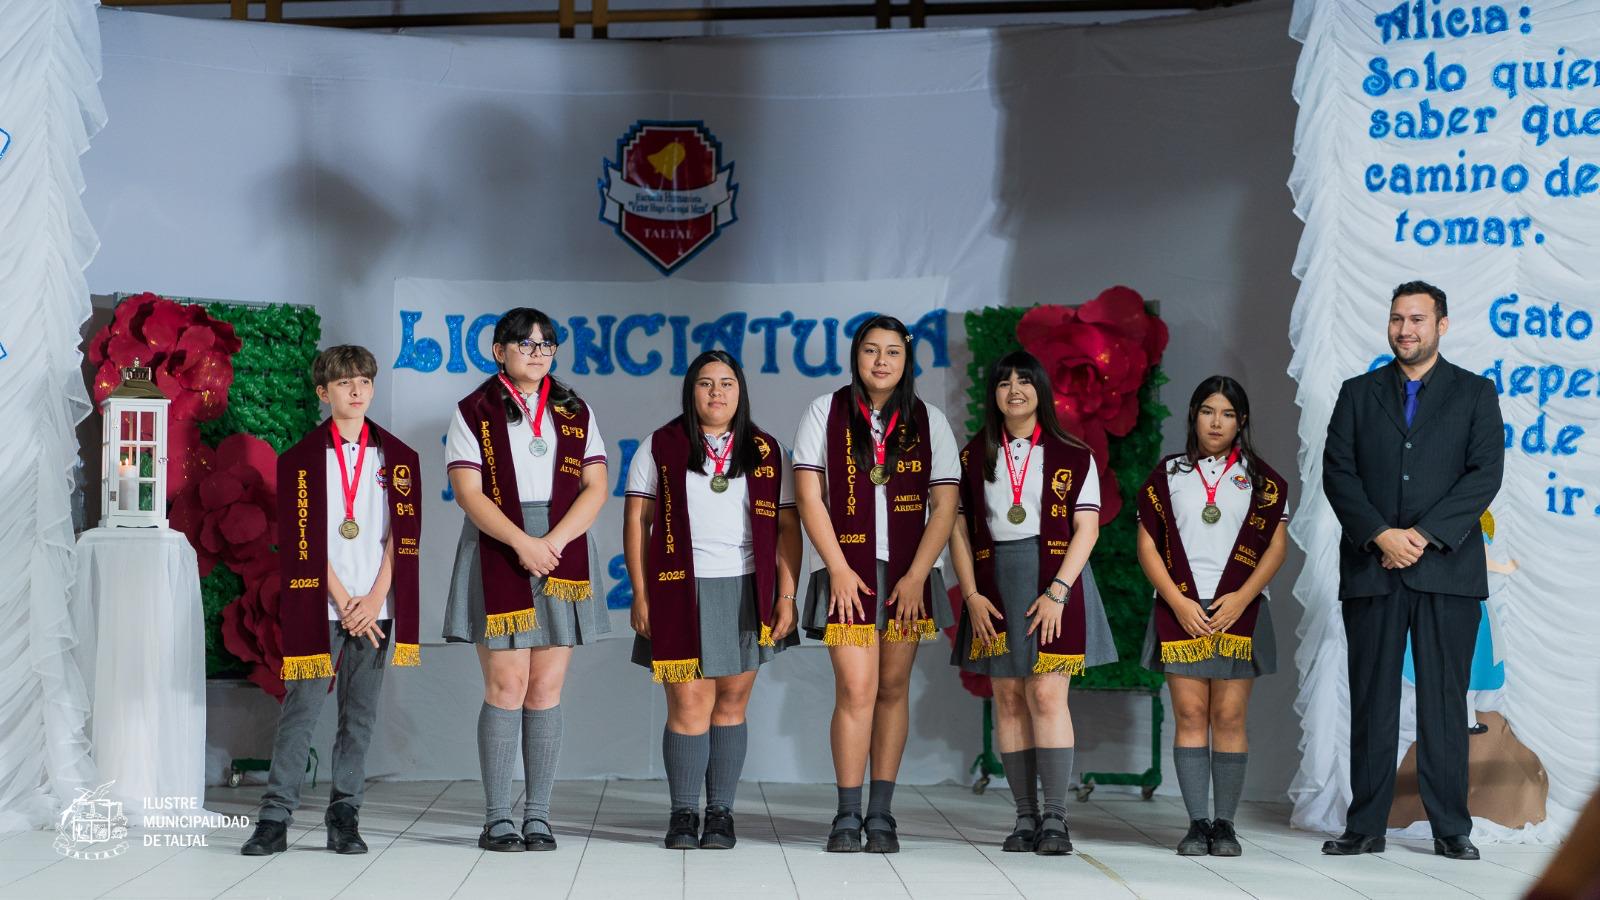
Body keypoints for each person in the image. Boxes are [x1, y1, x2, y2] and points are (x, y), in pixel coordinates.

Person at [1321, 281, 1504, 861]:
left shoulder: (1475, 393)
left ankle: (1452, 827)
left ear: (1442, 326)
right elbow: (1338, 472)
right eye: (1398, 318)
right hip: (1373, 569)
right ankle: (1364, 825)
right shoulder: (1357, 393)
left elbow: (1484, 475)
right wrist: (1379, 534)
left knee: (1444, 703)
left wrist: (1421, 536)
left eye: (1418, 319)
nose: (1406, 329)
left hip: (1446, 570)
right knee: (1372, 699)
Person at [241, 345, 422, 856]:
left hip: (376, 607)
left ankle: (345, 815)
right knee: (300, 710)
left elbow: (403, 537)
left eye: (364, 381)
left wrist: (375, 596)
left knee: (359, 716)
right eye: (345, 383)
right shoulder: (301, 460)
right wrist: (346, 601)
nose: (357, 390)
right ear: (324, 393)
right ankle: (274, 817)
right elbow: (304, 542)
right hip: (322, 604)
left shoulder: (399, 458)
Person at [443, 308, 611, 852]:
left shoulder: (575, 408)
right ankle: (498, 817)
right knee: (507, 687)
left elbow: (596, 485)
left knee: (544, 690)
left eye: (547, 344)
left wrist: (554, 543)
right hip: (499, 544)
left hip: (560, 546)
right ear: (499, 350)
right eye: (525, 343)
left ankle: (537, 815)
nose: (537, 352)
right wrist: (522, 543)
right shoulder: (473, 411)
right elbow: (468, 493)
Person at [793, 315, 960, 853]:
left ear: (907, 359)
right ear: (855, 356)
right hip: (848, 571)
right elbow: (809, 496)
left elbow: (945, 506)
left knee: (892, 690)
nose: (881, 361)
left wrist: (917, 575)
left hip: (908, 574)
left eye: (892, 352)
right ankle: (846, 814)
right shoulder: (825, 410)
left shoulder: (929, 419)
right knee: (856, 690)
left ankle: (882, 814)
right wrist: (838, 568)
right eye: (871, 350)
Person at [624, 351, 803, 850]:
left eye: (726, 383)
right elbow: (638, 521)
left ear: (741, 391)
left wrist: (786, 594)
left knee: (731, 701)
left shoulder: (768, 450)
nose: (717, 392)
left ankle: (720, 813)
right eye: (706, 384)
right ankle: (684, 813)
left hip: (747, 587)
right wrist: (641, 593)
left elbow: (788, 526)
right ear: (691, 392)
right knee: (688, 701)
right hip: (679, 587)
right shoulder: (660, 445)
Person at [948, 350, 1117, 857]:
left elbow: (1087, 528)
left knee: (1046, 696)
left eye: (1025, 381)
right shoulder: (972, 455)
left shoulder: (1073, 454)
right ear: (994, 395)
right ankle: (1024, 816)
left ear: (1041, 391)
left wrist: (1059, 591)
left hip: (1057, 580)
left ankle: (1056, 820)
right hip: (994, 581)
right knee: (1008, 697)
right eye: (1004, 382)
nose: (1014, 390)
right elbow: (957, 529)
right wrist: (972, 595)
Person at [1135, 375, 1289, 857]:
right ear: (1193, 416)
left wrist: (1243, 597)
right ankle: (1195, 822)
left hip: (1236, 610)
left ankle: (1225, 824)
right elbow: (1146, 546)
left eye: (1226, 413)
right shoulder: (1169, 475)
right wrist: (1178, 602)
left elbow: (1276, 548)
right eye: (1207, 411)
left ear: (1241, 421)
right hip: (1181, 608)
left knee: (1228, 714)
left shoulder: (1262, 481)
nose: (1216, 421)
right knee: (1190, 713)